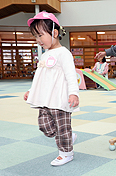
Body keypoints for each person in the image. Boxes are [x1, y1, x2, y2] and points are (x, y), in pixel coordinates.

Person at [23, 12, 79, 166]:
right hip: (45, 99)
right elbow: (39, 76)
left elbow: (71, 75)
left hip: (60, 99)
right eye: (36, 36)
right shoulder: (44, 55)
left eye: (40, 35)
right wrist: (31, 91)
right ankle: (68, 136)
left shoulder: (64, 53)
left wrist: (73, 93)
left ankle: (66, 153)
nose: (38, 40)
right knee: (44, 126)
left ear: (54, 33)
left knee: (62, 127)